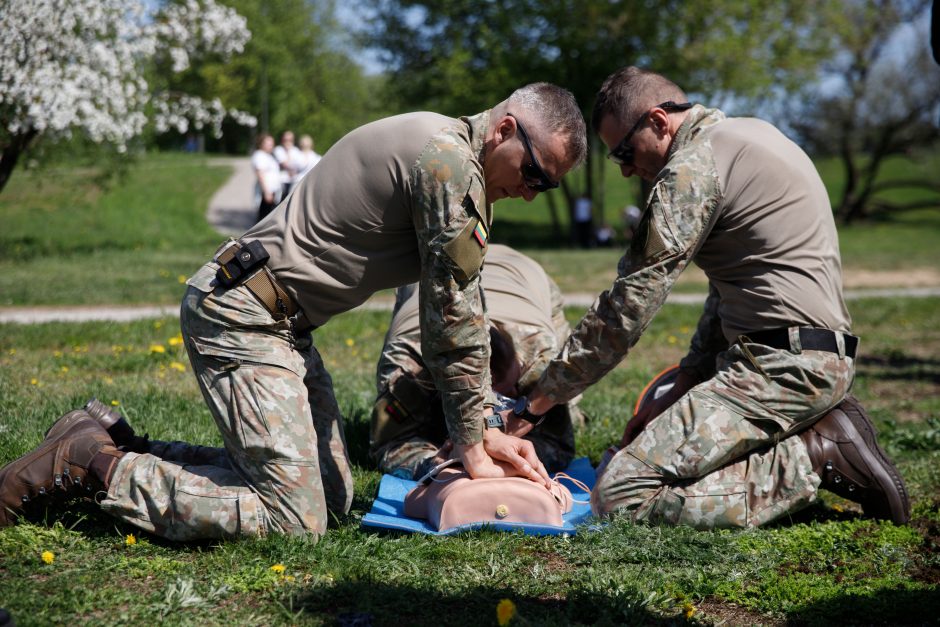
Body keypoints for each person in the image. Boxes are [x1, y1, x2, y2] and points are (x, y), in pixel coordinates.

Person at [0, 83, 587, 540]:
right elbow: (451, 320)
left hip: (282, 327)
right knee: (294, 519)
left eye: (549, 187)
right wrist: (473, 448)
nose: (533, 192)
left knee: (330, 496)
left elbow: (466, 311)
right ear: (506, 129)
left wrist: (482, 428)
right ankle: (85, 464)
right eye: (535, 174)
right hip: (240, 315)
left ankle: (120, 447)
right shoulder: (448, 162)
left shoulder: (459, 163)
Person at [515, 66, 909, 529]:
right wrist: (689, 377)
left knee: (621, 493)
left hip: (781, 369)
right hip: (807, 357)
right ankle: (815, 431)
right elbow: (729, 288)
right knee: (663, 459)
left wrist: (539, 403)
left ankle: (815, 455)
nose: (624, 168)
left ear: (659, 122)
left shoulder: (691, 168)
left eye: (624, 150)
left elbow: (629, 304)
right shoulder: (747, 136)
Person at [371, 244, 584, 480]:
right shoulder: (407, 367)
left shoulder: (541, 360)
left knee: (567, 402)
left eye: (505, 400)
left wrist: (517, 455)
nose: (493, 409)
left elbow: (559, 444)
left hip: (524, 273)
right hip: (427, 276)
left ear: (520, 371)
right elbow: (390, 442)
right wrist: (438, 463)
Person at [251, 133, 281, 222]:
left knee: (269, 217)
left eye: (272, 144)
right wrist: (267, 192)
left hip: (273, 190)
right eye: (268, 144)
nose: (271, 146)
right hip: (266, 191)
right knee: (263, 218)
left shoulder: (269, 156)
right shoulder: (259, 155)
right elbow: (260, 174)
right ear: (261, 144)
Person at [273, 130, 302, 199]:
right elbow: (284, 163)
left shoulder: (296, 150)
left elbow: (300, 164)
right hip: (281, 181)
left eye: (290, 140)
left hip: (294, 181)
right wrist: (288, 151)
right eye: (286, 140)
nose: (288, 142)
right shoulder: (278, 150)